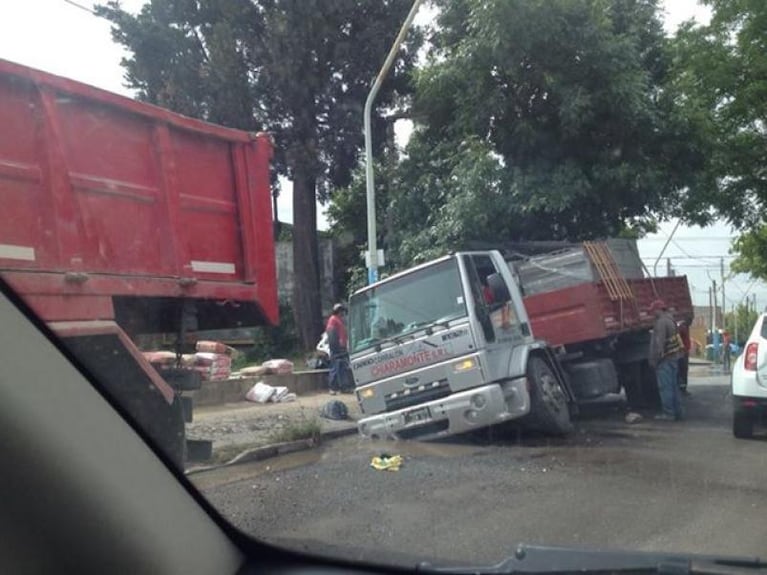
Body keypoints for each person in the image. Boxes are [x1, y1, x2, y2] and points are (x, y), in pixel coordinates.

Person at [648, 299, 684, 421]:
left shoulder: (661, 323)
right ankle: (678, 412)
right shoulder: (671, 320)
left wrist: (655, 360)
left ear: (659, 310)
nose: (652, 314)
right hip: (673, 357)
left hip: (665, 360)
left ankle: (668, 413)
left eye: (653, 311)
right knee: (674, 386)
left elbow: (659, 344)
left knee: (665, 387)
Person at [325, 303, 352, 395]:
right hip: (337, 349)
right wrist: (336, 347)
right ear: (338, 311)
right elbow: (331, 334)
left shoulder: (338, 320)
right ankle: (332, 387)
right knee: (335, 368)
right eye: (341, 311)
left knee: (342, 368)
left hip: (341, 348)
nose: (342, 313)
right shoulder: (333, 320)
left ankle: (343, 387)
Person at [677, 319, 691, 395]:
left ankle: (682, 388)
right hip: (683, 353)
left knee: (682, 371)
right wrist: (682, 348)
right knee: (683, 370)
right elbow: (679, 338)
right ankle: (682, 389)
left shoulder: (682, 327)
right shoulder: (682, 327)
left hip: (683, 352)